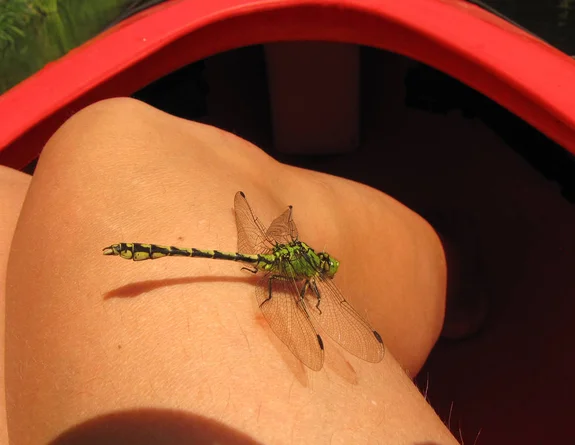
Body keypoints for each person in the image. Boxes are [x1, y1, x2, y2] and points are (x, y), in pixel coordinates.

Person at [3, 98, 459, 444]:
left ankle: (447, 266)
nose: (322, 272)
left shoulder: (290, 253)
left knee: (100, 137)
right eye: (322, 269)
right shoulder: (303, 278)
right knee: (112, 133)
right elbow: (302, 299)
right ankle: (448, 271)